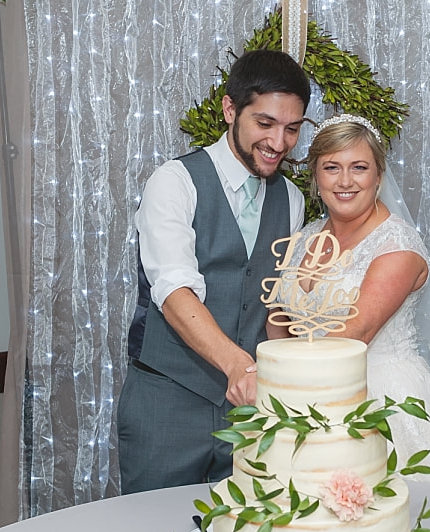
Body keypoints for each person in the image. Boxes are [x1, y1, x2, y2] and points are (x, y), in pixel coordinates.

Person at [273, 114, 430, 498]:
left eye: (359, 168)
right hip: (303, 389)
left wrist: (288, 376)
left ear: (378, 177)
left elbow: (354, 333)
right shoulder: (306, 237)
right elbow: (278, 316)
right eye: (332, 168)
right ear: (316, 175)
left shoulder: (397, 245)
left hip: (381, 400)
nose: (345, 181)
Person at [117, 49, 311, 494]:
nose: (279, 143)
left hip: (251, 416)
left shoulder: (292, 201)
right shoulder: (175, 182)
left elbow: (275, 306)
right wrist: (239, 368)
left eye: (292, 128)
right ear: (230, 109)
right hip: (167, 407)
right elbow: (174, 291)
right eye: (265, 124)